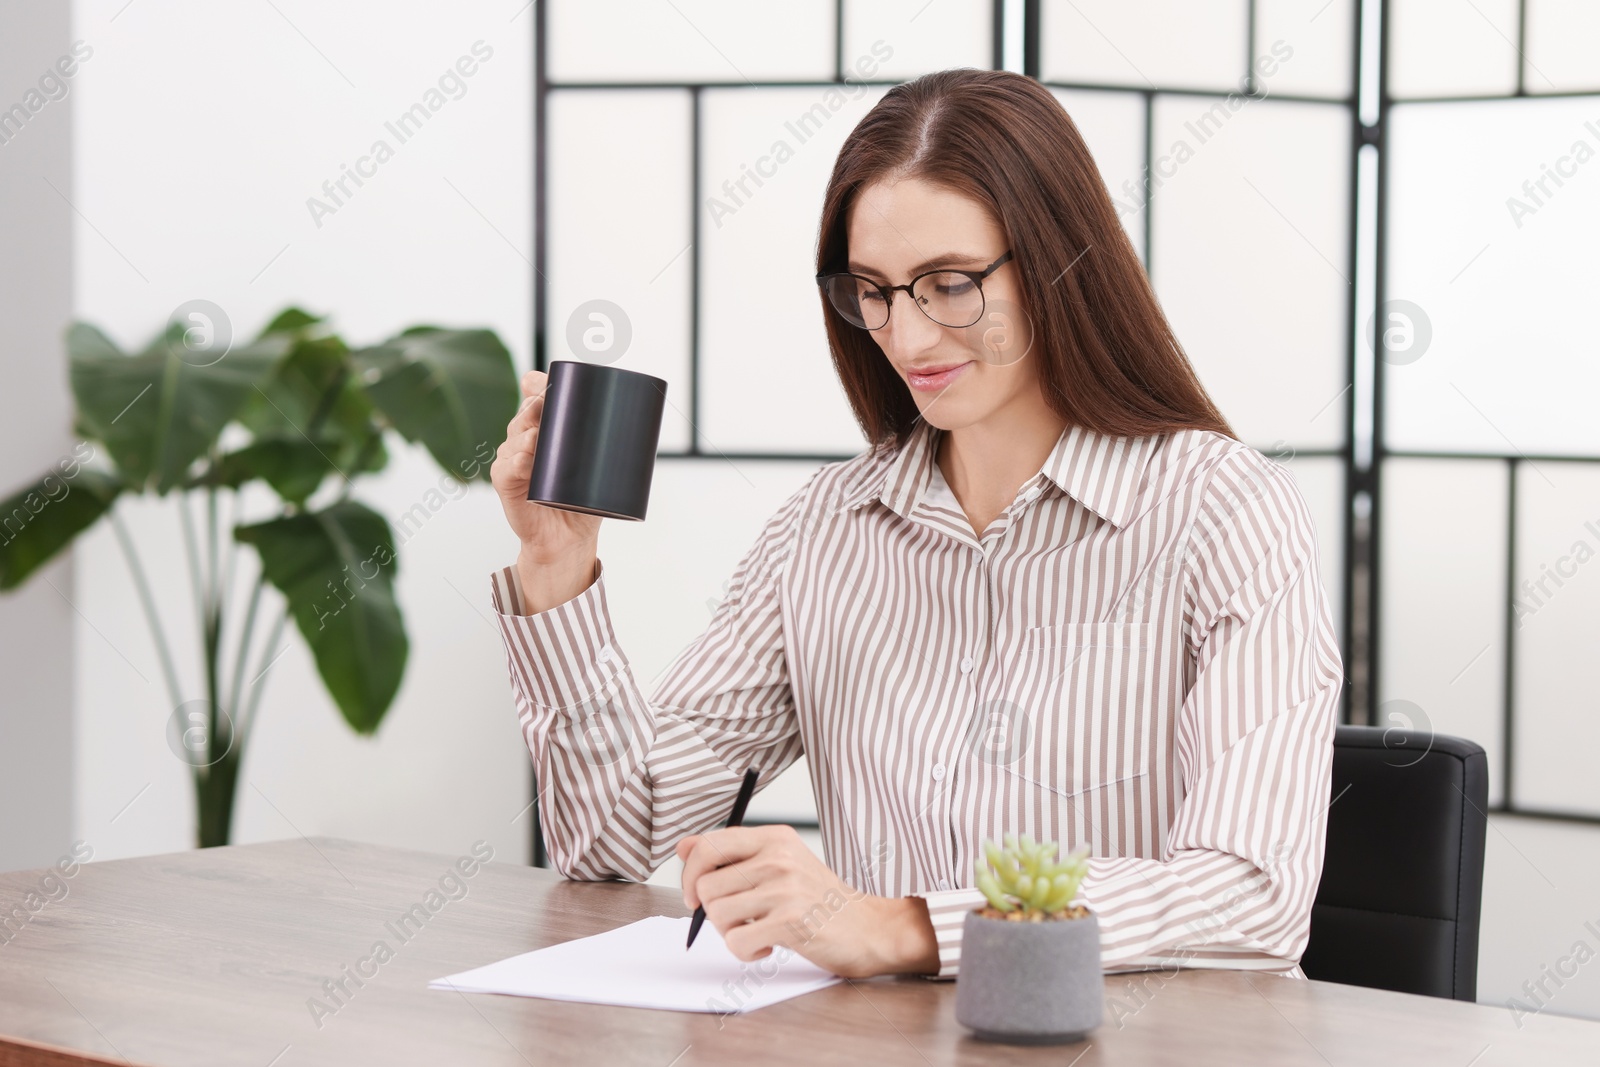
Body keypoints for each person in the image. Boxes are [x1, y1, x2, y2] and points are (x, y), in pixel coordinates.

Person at [488, 68, 1342, 981]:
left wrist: (906, 928)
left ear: (1058, 262)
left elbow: (1252, 897)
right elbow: (609, 837)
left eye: (949, 283)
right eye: (875, 291)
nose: (908, 337)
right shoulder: (825, 531)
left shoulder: (1221, 511)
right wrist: (557, 562)